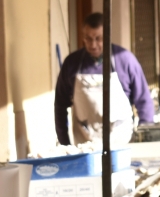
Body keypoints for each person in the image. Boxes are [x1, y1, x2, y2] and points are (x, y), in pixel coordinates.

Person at [55, 12, 154, 146]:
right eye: (88, 39)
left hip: (121, 143)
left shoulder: (125, 60)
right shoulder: (72, 63)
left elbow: (144, 101)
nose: (93, 44)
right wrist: (64, 142)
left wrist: (145, 140)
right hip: (84, 146)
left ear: (108, 35)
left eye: (98, 38)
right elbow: (60, 105)